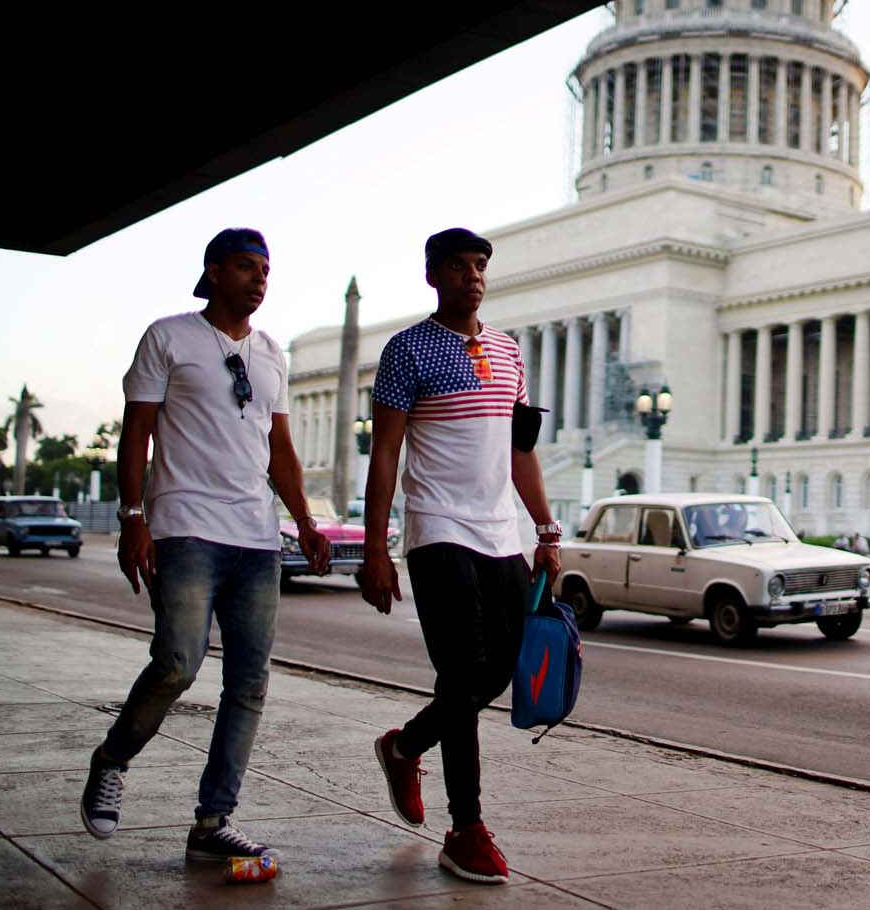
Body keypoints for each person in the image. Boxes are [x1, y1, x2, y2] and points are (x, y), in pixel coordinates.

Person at [81, 228, 331, 862]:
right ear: (214, 273)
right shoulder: (169, 337)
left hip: (255, 536)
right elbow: (135, 432)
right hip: (183, 526)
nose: (259, 279)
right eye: (246, 267)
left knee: (249, 682)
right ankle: (113, 759)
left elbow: (280, 450)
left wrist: (303, 520)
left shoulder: (272, 353)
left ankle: (212, 821)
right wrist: (132, 517)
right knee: (176, 664)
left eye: (265, 270)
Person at [359, 227, 561, 887]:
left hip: (502, 533)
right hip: (438, 530)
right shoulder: (407, 351)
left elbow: (520, 449)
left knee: (496, 675)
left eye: (479, 264)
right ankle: (465, 828)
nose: (473, 275)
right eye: (458, 265)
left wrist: (546, 529)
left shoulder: (507, 351)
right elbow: (385, 453)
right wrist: (376, 548)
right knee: (463, 673)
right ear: (433, 275)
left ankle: (406, 744)